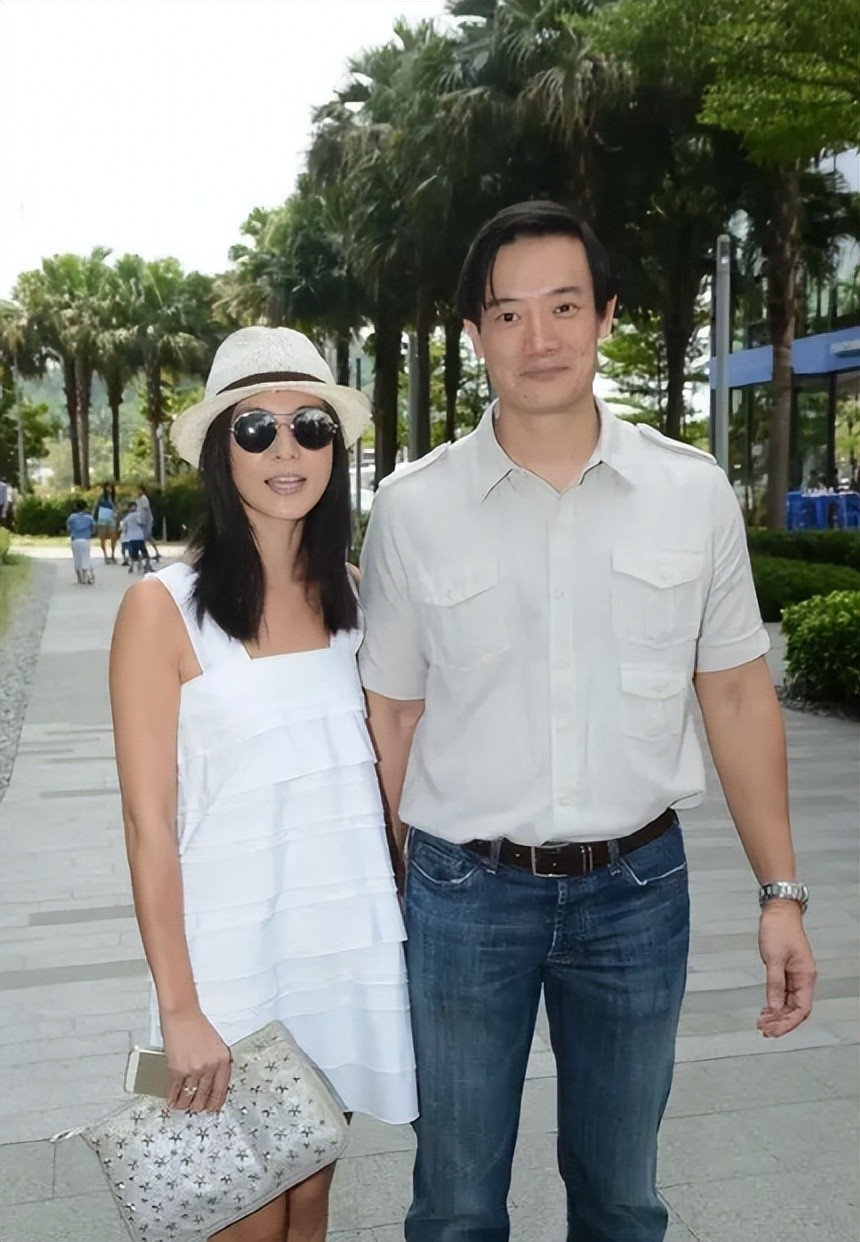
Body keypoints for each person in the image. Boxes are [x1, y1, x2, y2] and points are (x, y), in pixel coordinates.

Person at [358, 200, 816, 1242]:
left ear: (606, 315)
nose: (540, 338)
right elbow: (394, 713)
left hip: (637, 892)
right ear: (475, 335)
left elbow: (736, 695)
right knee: (455, 1205)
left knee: (621, 1200)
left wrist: (780, 894)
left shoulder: (689, 492)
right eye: (508, 315)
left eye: (563, 306)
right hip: (462, 892)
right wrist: (391, 897)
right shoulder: (414, 506)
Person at [109, 325, 416, 1242]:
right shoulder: (160, 609)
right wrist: (180, 1010)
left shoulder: (357, 597)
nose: (288, 450)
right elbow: (148, 828)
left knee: (310, 1198)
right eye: (257, 429)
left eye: (310, 426)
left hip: (341, 950)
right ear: (221, 450)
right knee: (245, 1211)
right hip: (226, 964)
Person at [66, 498, 96, 585]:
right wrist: (91, 533)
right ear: (85, 508)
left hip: (75, 539)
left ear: (76, 507)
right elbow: (94, 528)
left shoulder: (72, 517)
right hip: (85, 539)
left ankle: (79, 578)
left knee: (76, 558)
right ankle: (85, 577)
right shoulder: (89, 518)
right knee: (85, 557)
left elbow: (68, 528)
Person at [118, 501, 152, 574]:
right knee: (144, 553)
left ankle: (132, 566)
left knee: (134, 555)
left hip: (131, 538)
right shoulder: (138, 515)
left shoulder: (126, 518)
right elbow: (141, 523)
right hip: (139, 537)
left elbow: (124, 529)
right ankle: (146, 566)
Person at [93, 482, 118, 563]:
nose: (109, 489)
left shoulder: (113, 498)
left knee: (113, 537)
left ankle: (113, 554)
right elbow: (96, 507)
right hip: (102, 518)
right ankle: (105, 556)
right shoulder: (101, 497)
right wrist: (95, 519)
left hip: (111, 517)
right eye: (107, 487)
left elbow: (116, 507)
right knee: (102, 538)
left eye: (110, 487)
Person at [136, 484, 161, 562]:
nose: (138, 491)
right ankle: (150, 553)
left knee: (145, 537)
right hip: (141, 521)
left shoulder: (144, 499)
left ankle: (146, 554)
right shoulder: (138, 499)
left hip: (146, 521)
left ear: (142, 491)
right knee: (147, 538)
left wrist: (143, 521)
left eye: (139, 490)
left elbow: (145, 511)